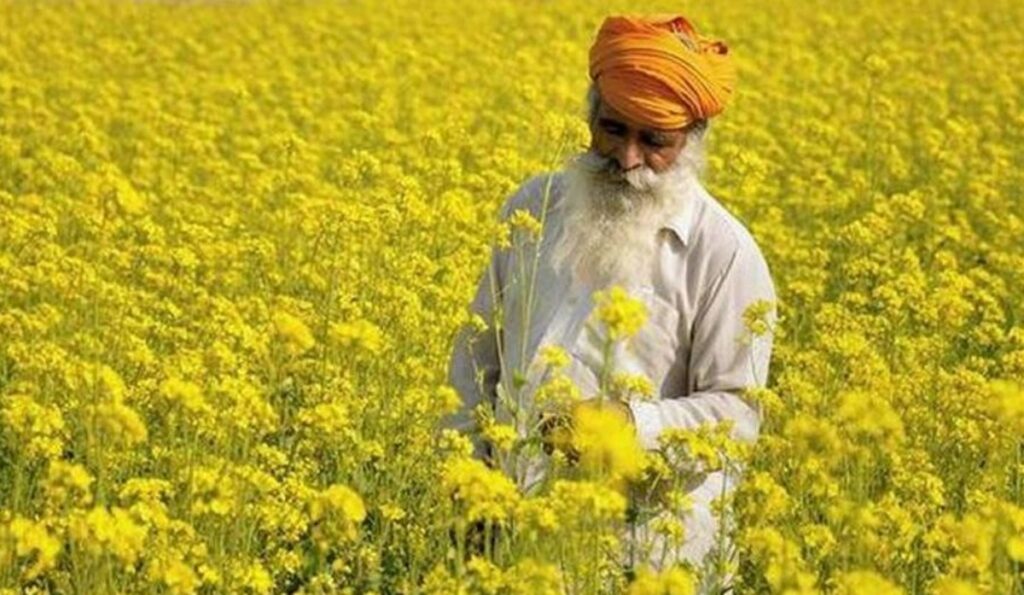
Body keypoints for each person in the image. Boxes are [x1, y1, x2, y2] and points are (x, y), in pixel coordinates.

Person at [445, 13, 777, 590]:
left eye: (655, 142)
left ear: (693, 141)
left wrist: (630, 424)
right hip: (521, 544)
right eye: (612, 129)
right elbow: (478, 356)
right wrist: (466, 484)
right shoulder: (532, 209)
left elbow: (738, 413)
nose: (626, 159)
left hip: (650, 558)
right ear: (589, 116)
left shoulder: (724, 254)